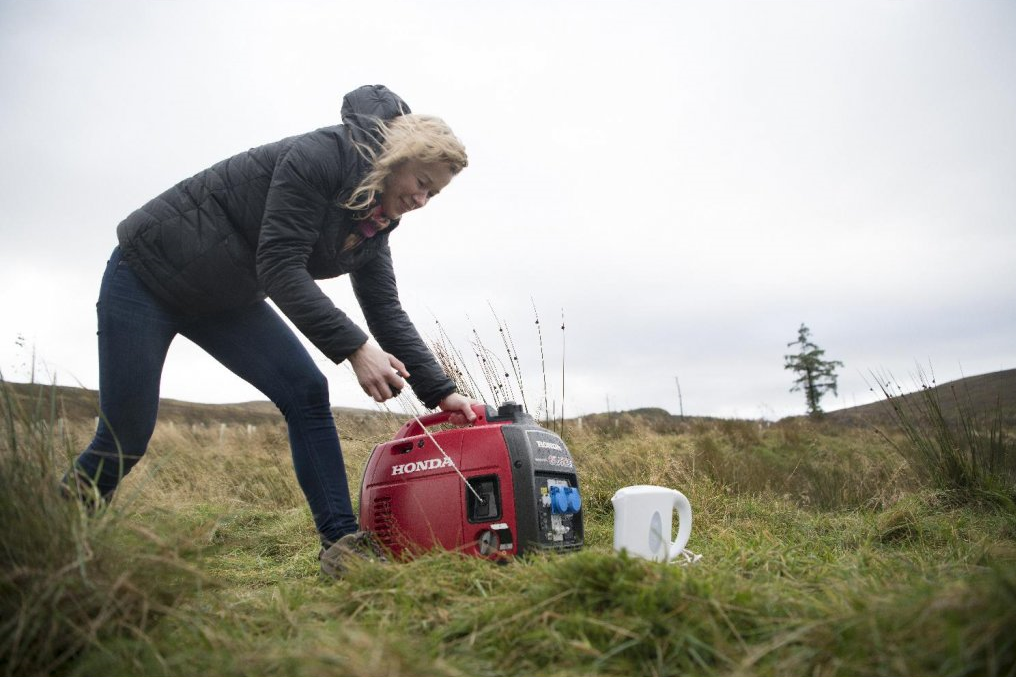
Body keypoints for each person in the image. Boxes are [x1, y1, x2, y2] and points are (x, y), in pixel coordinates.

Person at [63, 84, 476, 575]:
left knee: (305, 390)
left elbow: (385, 309)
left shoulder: (375, 222)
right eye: (423, 181)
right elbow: (280, 266)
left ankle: (342, 547)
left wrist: (442, 393)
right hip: (146, 276)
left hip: (223, 299)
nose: (424, 199)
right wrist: (354, 349)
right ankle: (57, 529)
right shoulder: (321, 157)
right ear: (398, 156)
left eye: (434, 193)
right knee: (125, 437)